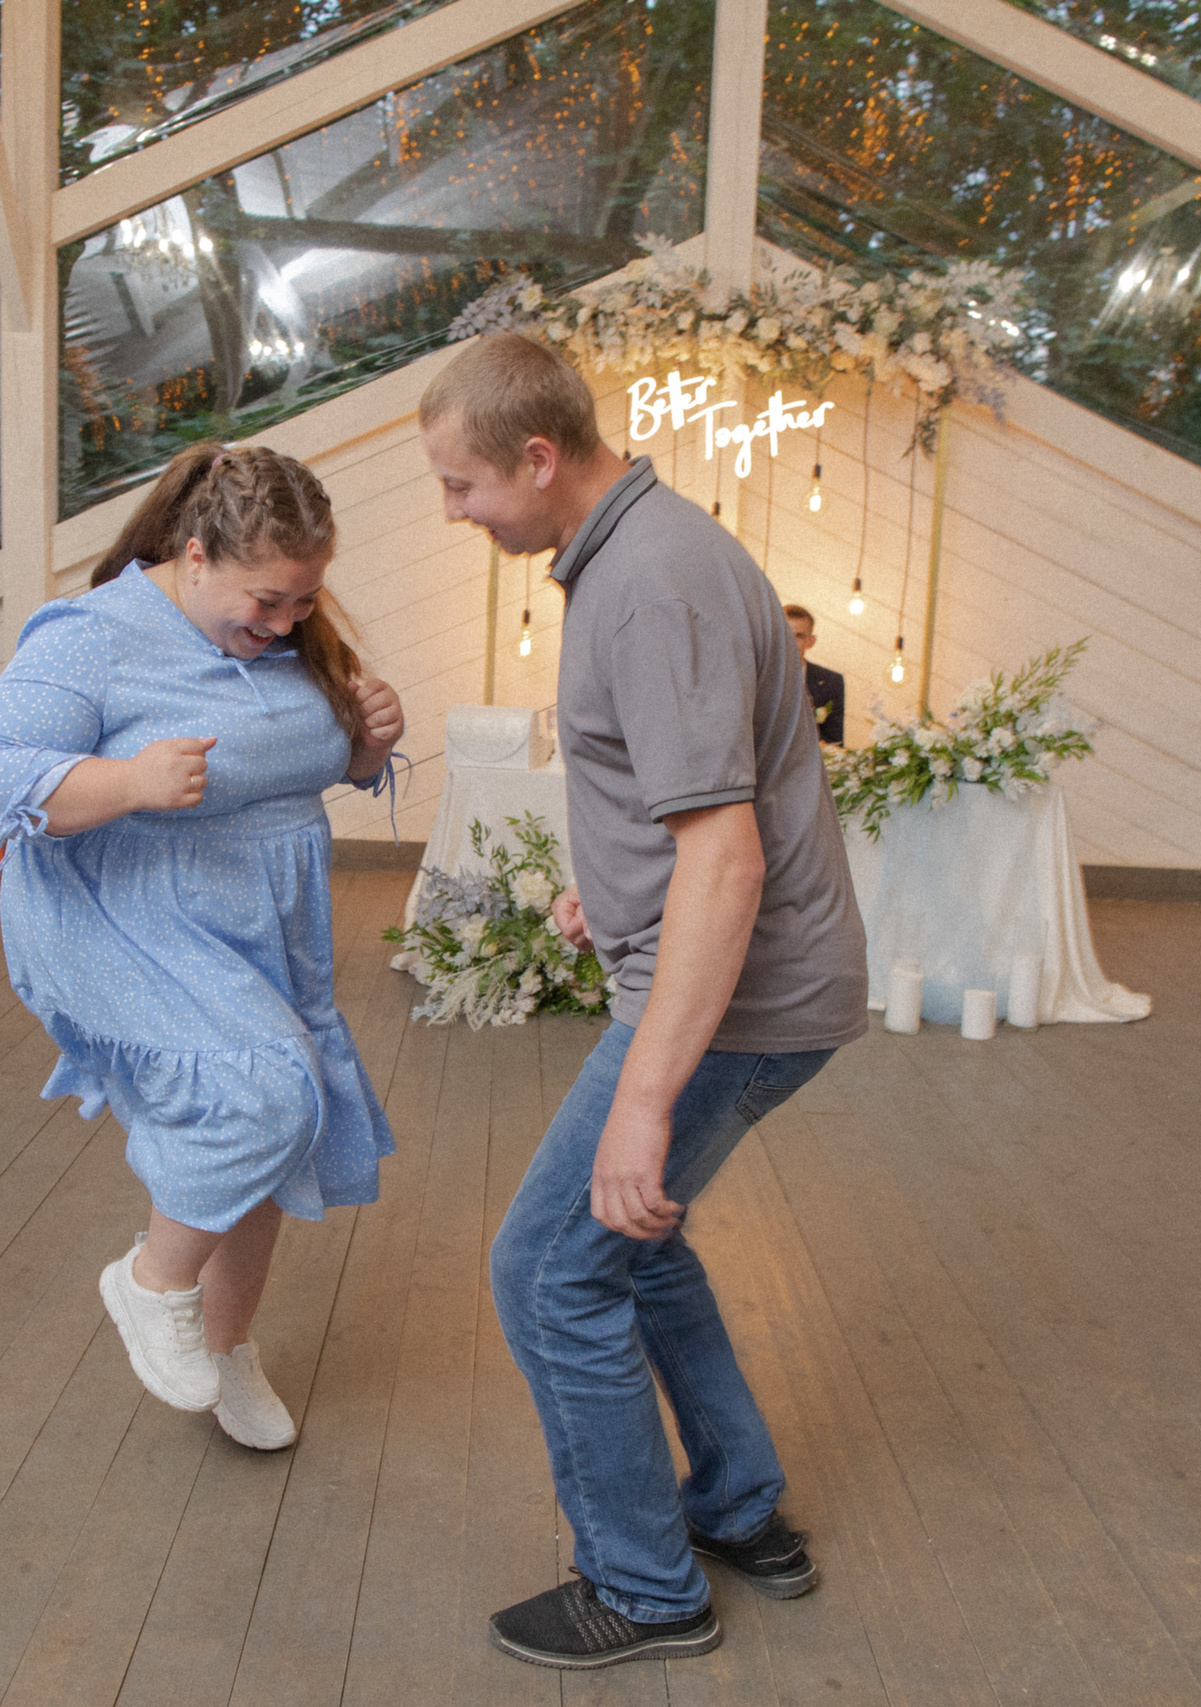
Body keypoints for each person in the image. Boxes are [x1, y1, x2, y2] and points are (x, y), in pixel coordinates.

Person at [419, 334, 870, 1670]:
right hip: (744, 981)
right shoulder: (645, 550)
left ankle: (643, 1583)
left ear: (538, 457)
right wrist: (607, 888)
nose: (454, 513)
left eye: (461, 487)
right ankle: (735, 1507)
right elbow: (684, 814)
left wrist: (646, 1100)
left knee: (550, 1269)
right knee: (636, 1244)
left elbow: (726, 854)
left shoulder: (647, 587)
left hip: (739, 1008)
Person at [0, 442, 406, 1451]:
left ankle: (227, 1348)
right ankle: (152, 1283)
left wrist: (367, 744)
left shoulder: (279, 633)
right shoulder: (94, 636)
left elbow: (279, 759)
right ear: (194, 555)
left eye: (302, 601)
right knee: (264, 1095)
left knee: (277, 1129)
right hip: (124, 914)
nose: (286, 623)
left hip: (259, 921)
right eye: (268, 600)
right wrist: (126, 784)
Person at [782, 604, 845, 745]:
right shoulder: (756, 675)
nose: (791, 642)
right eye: (786, 634)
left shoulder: (831, 681)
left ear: (811, 641)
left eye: (799, 636)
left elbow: (834, 739)